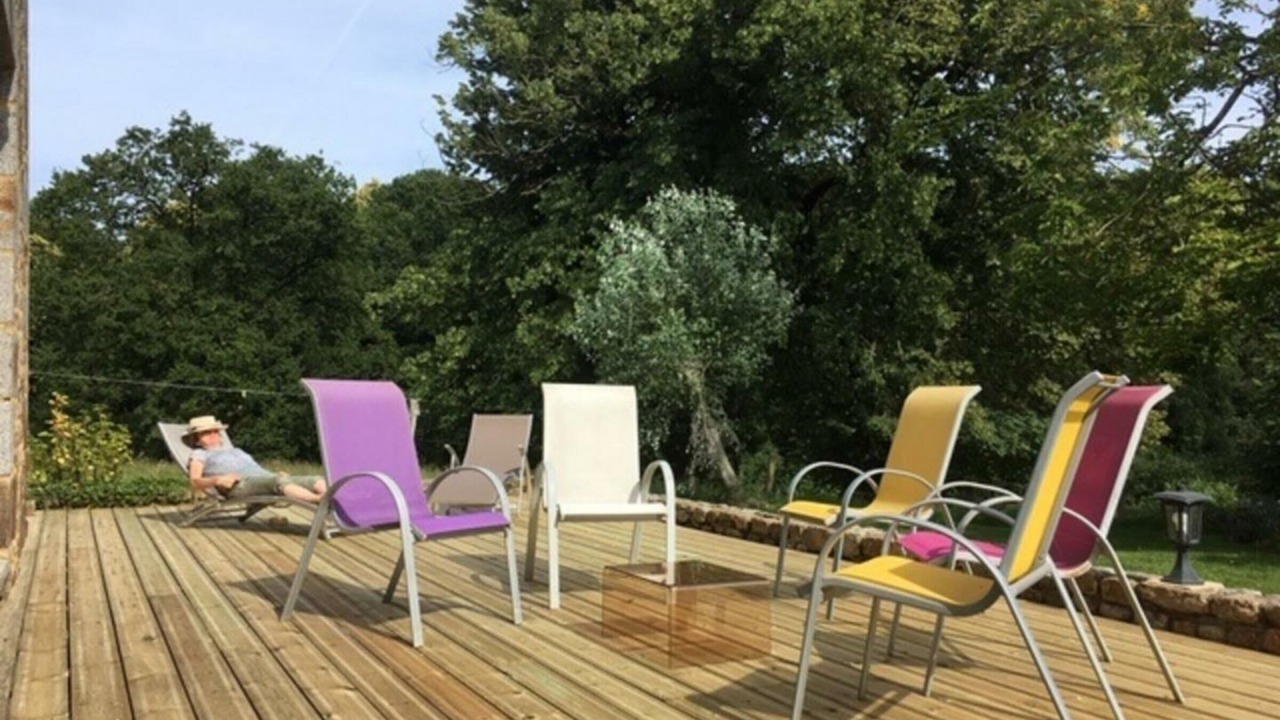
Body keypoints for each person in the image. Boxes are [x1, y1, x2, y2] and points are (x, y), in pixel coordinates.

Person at [183, 415, 327, 503]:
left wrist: (273, 473)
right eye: (206, 433)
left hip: (264, 479)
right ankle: (318, 500)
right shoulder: (200, 454)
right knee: (278, 481)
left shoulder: (235, 450)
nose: (213, 435)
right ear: (196, 440)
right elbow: (194, 481)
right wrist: (217, 480)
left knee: (315, 479)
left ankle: (332, 499)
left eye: (215, 431)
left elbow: (254, 468)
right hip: (239, 486)